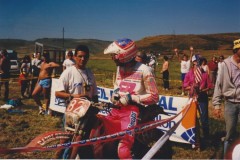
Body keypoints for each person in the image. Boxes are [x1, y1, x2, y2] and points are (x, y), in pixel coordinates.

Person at [103, 38, 159, 159]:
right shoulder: (120, 68)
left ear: (125, 55)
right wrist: (115, 94)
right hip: (116, 108)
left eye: (115, 55)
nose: (113, 58)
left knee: (123, 147)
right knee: (102, 136)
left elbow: (154, 97)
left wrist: (132, 98)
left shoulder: (145, 70)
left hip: (132, 111)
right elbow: (117, 86)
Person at [55, 45, 98, 159]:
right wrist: (75, 96)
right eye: (80, 56)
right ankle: (57, 157)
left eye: (85, 57)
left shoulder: (90, 73)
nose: (83, 59)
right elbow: (58, 93)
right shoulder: (68, 72)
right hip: (71, 113)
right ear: (74, 57)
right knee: (65, 140)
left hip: (86, 114)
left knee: (79, 141)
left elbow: (94, 95)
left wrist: (95, 106)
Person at [212, 39, 240, 156]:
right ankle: (227, 157)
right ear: (237, 49)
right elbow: (218, 84)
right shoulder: (225, 64)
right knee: (229, 134)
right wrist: (217, 105)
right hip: (230, 103)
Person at [183, 54, 213, 144]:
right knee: (192, 118)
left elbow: (210, 86)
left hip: (202, 98)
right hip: (192, 98)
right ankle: (194, 137)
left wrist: (203, 90)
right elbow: (185, 85)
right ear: (193, 62)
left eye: (200, 60)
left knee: (204, 118)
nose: (198, 62)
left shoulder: (204, 74)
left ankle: (206, 137)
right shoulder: (189, 73)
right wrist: (192, 87)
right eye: (197, 61)